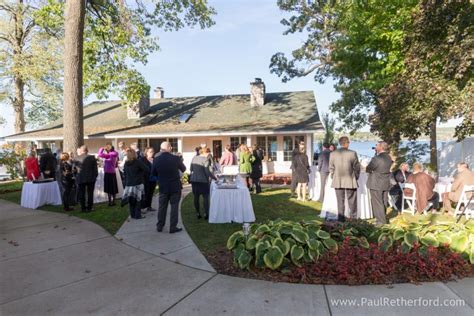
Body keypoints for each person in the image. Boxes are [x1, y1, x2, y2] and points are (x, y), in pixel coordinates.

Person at [153, 141, 186, 233]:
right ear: (170, 148)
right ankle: (173, 227)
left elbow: (153, 173)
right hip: (175, 186)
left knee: (162, 207)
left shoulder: (156, 159)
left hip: (163, 187)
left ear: (161, 149)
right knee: (174, 208)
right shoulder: (176, 158)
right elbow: (183, 169)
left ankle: (160, 226)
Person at [329, 136, 360, 222]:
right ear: (346, 143)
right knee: (352, 201)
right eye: (348, 142)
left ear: (340, 143)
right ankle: (353, 219)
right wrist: (356, 177)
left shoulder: (333, 154)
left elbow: (331, 168)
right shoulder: (353, 153)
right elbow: (357, 167)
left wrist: (333, 176)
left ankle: (341, 220)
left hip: (338, 179)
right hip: (350, 179)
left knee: (340, 201)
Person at [366, 141, 393, 225]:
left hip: (376, 182)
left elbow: (368, 168)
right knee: (384, 201)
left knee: (377, 202)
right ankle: (382, 218)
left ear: (381, 147)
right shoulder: (389, 157)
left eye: (376, 145)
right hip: (385, 181)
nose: (375, 147)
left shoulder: (377, 158)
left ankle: (381, 221)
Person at [122, 148, 149, 220]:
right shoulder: (137, 162)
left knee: (131, 200)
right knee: (138, 200)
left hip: (129, 184)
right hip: (137, 183)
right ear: (134, 154)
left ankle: (132, 214)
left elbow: (124, 173)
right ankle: (138, 215)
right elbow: (146, 169)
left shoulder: (126, 163)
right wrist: (141, 173)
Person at [190, 148, 216, 219]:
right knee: (205, 198)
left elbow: (191, 169)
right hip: (203, 181)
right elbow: (207, 172)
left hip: (194, 180)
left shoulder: (194, 158)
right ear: (204, 153)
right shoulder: (205, 159)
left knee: (196, 197)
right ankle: (206, 214)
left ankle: (198, 213)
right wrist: (214, 178)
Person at [73, 145, 98, 212]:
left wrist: (76, 176)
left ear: (81, 151)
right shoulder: (92, 158)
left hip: (81, 177)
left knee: (82, 193)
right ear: (87, 151)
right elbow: (95, 169)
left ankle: (83, 208)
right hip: (91, 178)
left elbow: (74, 169)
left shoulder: (76, 158)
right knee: (90, 193)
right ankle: (89, 207)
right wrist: (95, 176)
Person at [141, 147, 157, 213]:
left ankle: (149, 206)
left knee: (151, 193)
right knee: (145, 193)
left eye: (152, 152)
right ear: (146, 152)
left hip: (153, 179)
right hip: (145, 180)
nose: (151, 153)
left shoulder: (154, 160)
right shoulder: (143, 160)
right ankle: (143, 207)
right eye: (150, 152)